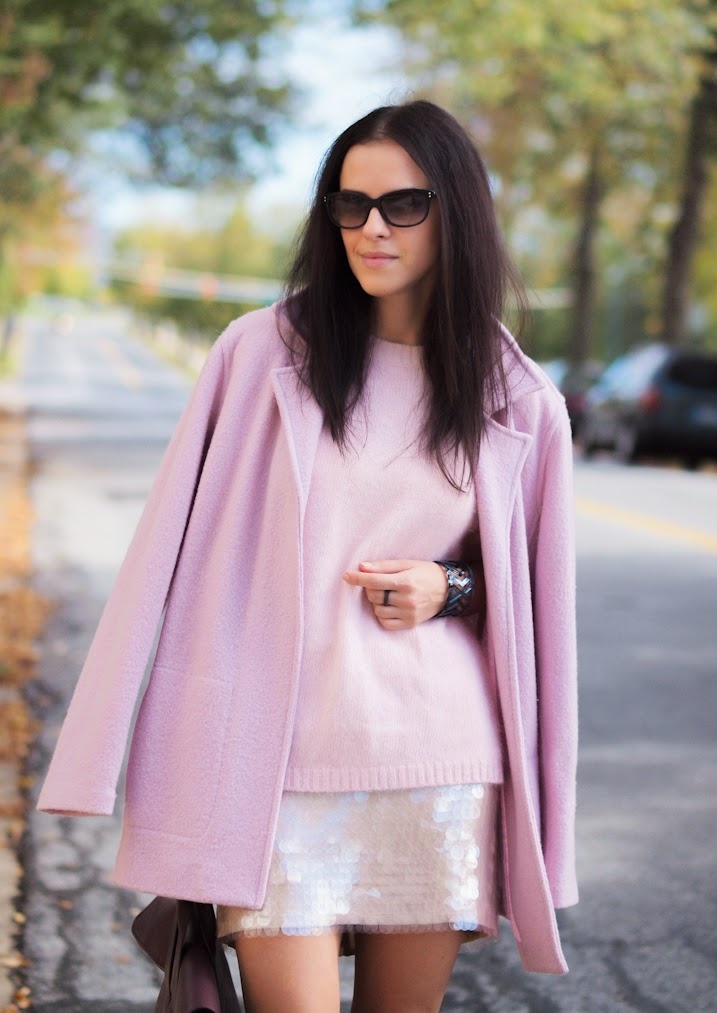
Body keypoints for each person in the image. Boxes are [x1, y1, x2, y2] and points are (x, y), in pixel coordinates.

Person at [38, 100, 578, 1012]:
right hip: (272, 771)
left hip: (438, 765)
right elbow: (158, 555)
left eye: (403, 204)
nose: (372, 228)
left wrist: (447, 585)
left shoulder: (519, 397)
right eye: (350, 204)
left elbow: (537, 604)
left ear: (458, 212)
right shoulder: (258, 355)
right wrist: (92, 758)